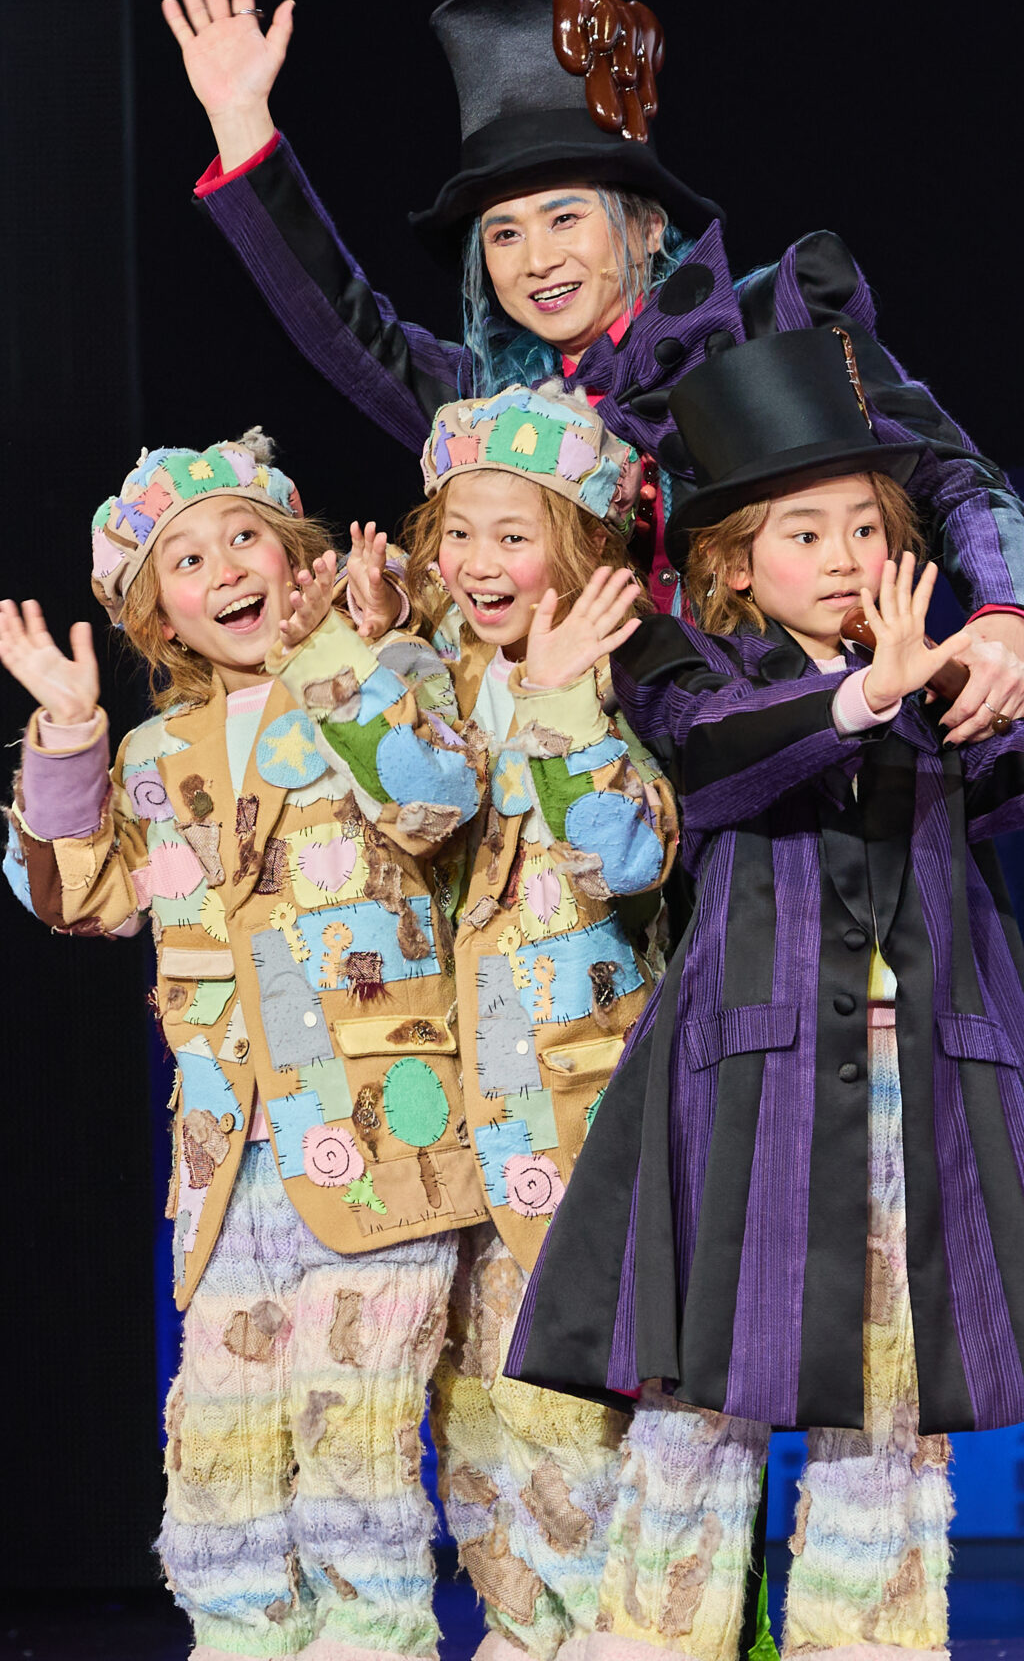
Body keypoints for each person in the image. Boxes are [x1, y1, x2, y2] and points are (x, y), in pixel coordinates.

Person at [507, 325, 1024, 1661]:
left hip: (922, 1095)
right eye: (806, 534)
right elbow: (713, 761)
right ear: (735, 564)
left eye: (865, 527)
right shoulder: (689, 668)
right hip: (750, 1094)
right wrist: (860, 700)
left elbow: (1011, 790)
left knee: (891, 1413)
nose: (845, 554)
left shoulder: (928, 686)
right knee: (702, 1412)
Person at [161, 0, 1024, 743]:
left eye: (565, 218)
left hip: (795, 763)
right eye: (504, 235)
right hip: (577, 791)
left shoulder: (771, 322)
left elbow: (955, 474)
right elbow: (352, 335)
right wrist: (242, 124)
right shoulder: (495, 412)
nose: (536, 260)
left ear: (648, 226)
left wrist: (1005, 616)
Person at [0, 431, 486, 1661]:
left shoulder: (386, 673)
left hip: (383, 1140)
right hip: (229, 1164)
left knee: (356, 1450)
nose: (222, 569)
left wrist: (337, 661)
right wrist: (68, 736)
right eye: (185, 560)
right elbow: (81, 898)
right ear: (155, 614)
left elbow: (435, 801)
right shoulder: (156, 755)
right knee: (219, 1472)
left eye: (243, 538)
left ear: (294, 551)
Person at [287, 380, 689, 1661]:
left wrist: (565, 707)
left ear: (581, 545)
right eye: (455, 532)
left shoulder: (640, 674)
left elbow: (627, 858)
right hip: (441, 1116)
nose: (474, 560)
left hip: (573, 1116)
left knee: (575, 1430)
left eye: (512, 535)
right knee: (473, 1445)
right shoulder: (439, 670)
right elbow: (420, 809)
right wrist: (361, 656)